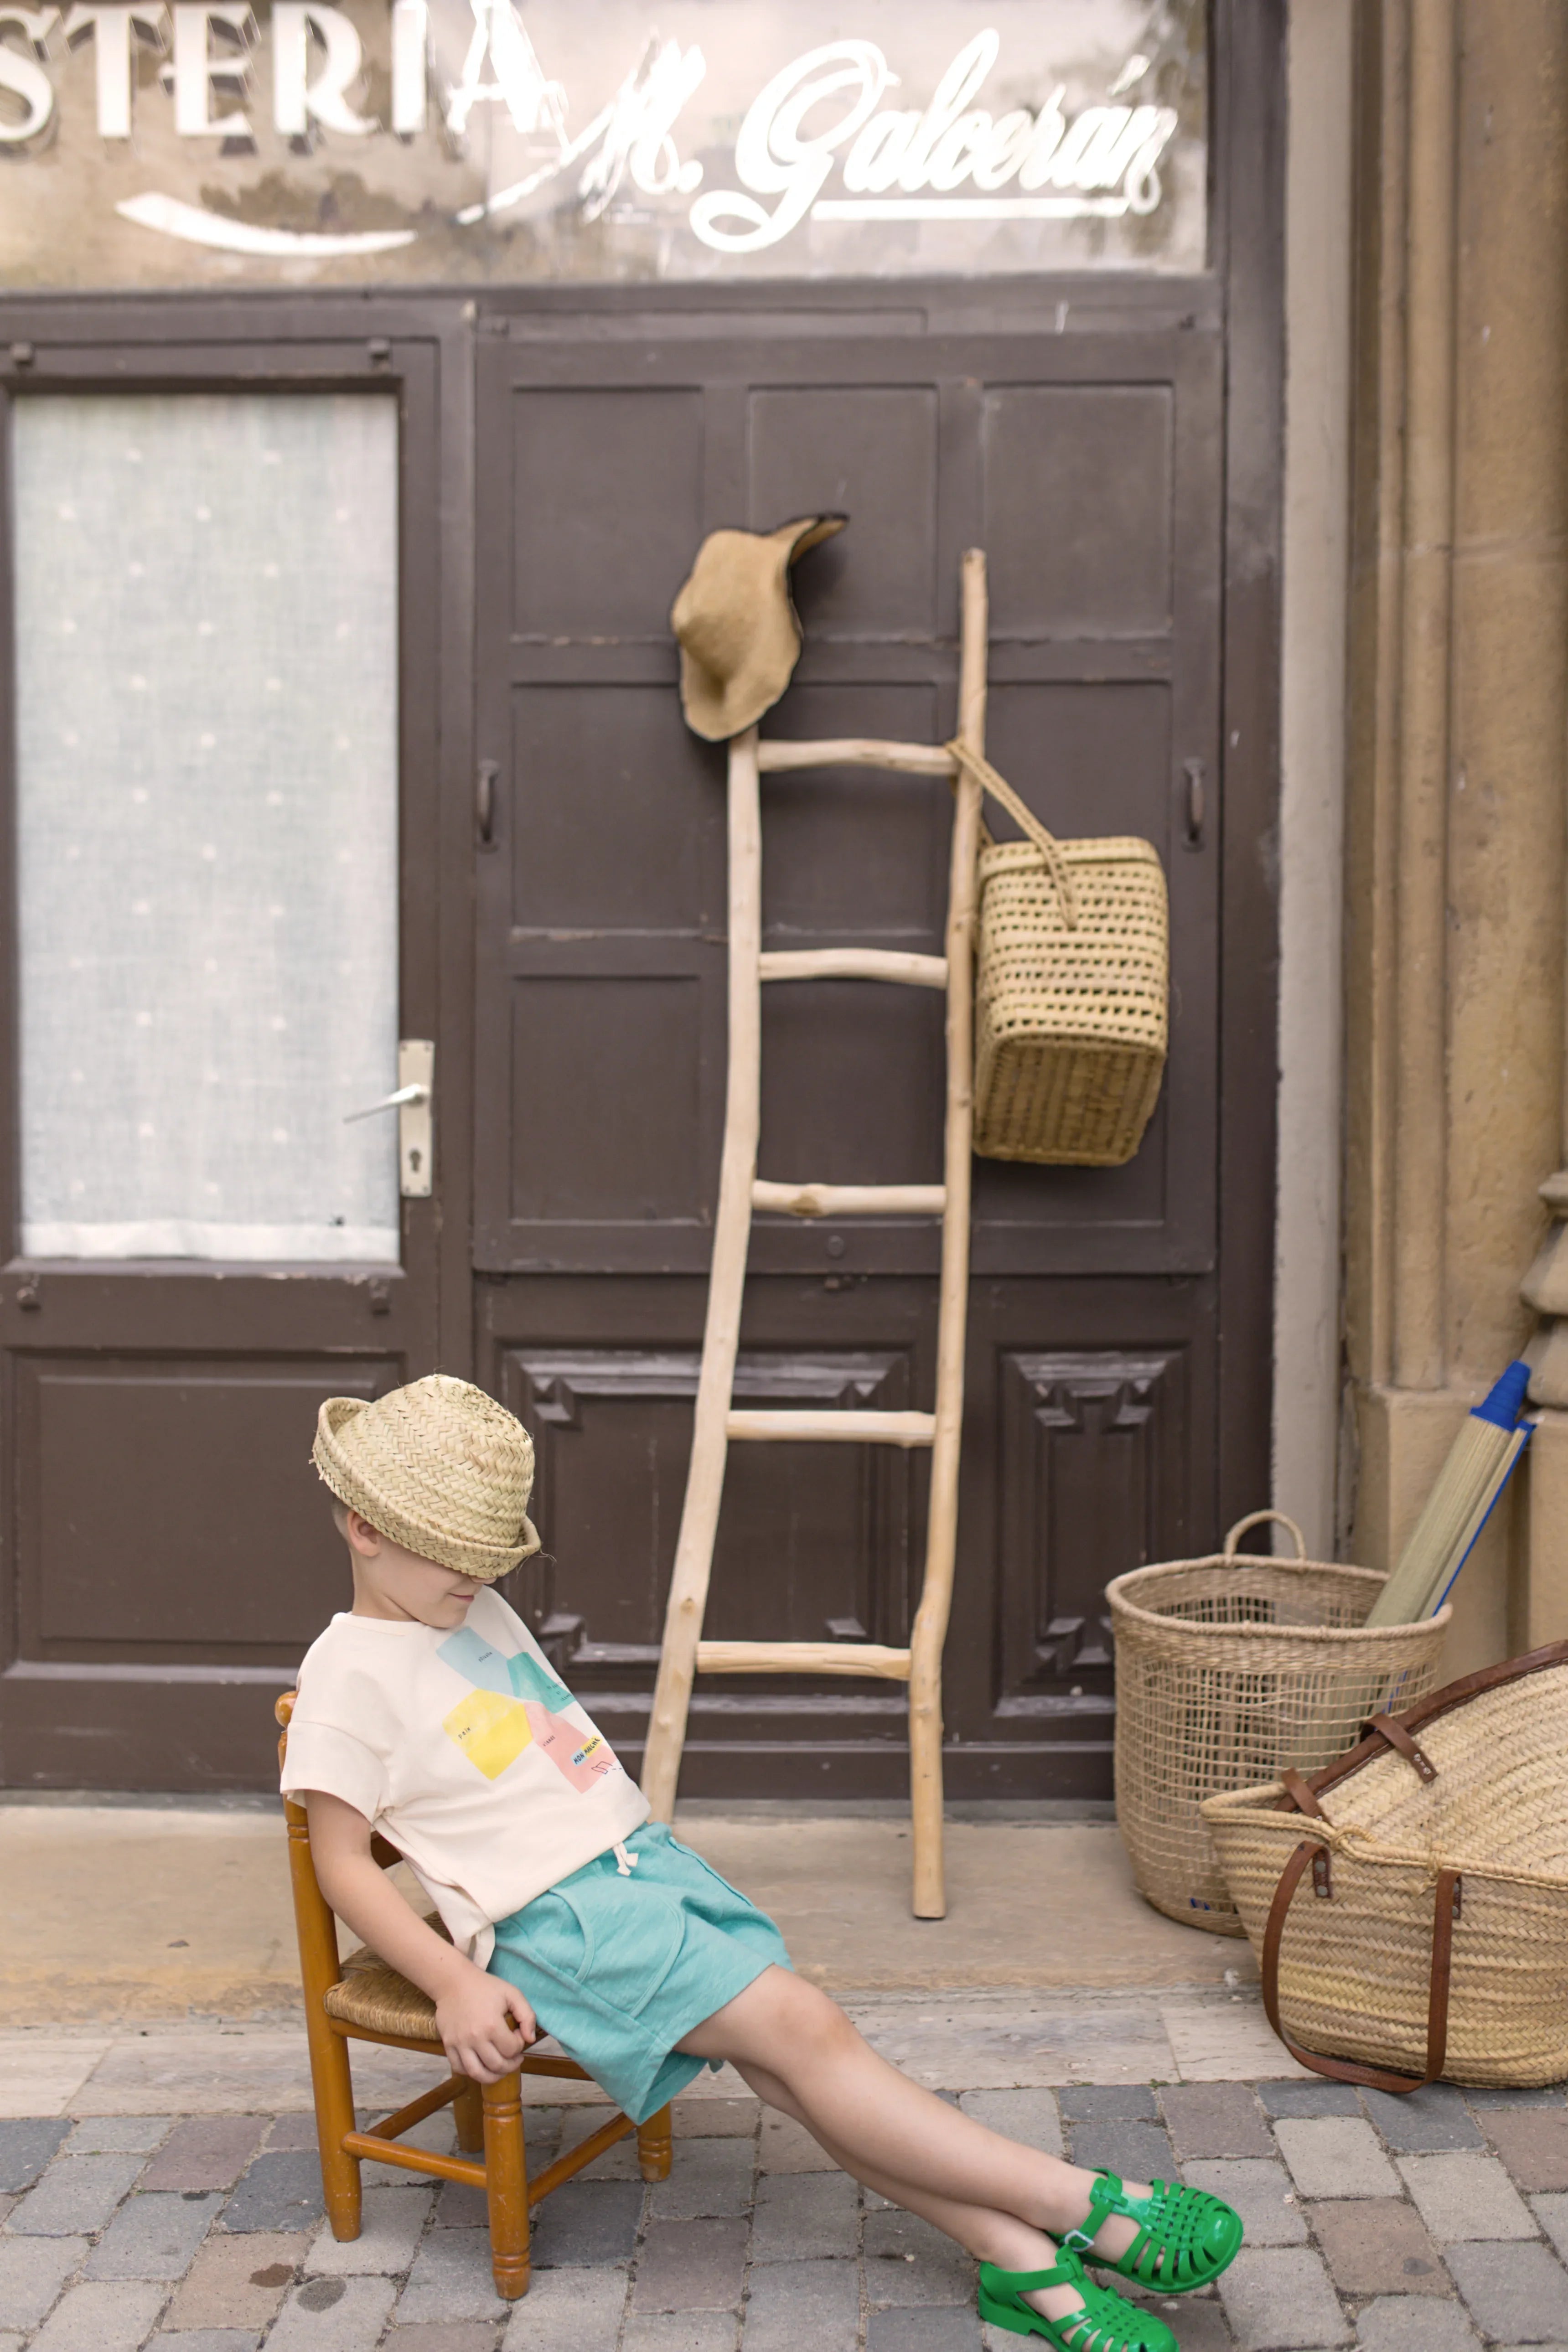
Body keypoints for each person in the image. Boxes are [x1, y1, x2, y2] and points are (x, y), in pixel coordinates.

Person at [283, 1376, 1242, 2347]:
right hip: (560, 1920)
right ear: (365, 1530)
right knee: (806, 2029)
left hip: (633, 1870)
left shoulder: (459, 1609)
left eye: (490, 1557)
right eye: (457, 1555)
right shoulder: (345, 1675)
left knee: (792, 2066)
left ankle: (1021, 2262)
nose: (478, 1577)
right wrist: (451, 1982)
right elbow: (343, 1865)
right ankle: (1086, 2203)